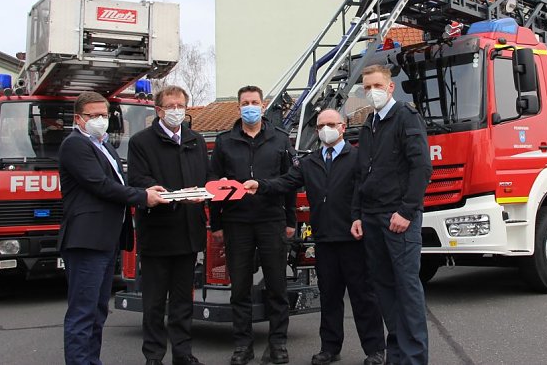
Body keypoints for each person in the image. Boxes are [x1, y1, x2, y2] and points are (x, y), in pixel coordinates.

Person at [243, 109, 386, 365]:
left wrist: (363, 219)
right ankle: (330, 348)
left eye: (331, 124)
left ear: (343, 127)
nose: (326, 129)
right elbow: (286, 182)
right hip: (324, 240)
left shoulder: (357, 158)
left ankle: (375, 350)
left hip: (354, 240)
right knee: (329, 297)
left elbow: (368, 192)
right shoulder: (309, 162)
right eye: (321, 125)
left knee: (363, 297)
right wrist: (261, 185)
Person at [58, 91, 167, 365]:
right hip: (86, 240)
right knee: (83, 312)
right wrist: (142, 197)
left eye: (104, 115)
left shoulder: (103, 145)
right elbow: (100, 185)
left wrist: (143, 188)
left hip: (105, 240)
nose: (100, 120)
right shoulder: (75, 145)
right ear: (78, 119)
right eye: (93, 116)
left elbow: (117, 180)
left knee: (97, 311)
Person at [350, 65, 432, 365]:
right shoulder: (370, 123)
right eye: (366, 87)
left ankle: (414, 359)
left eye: (376, 85)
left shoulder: (405, 118)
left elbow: (421, 167)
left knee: (407, 289)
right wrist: (357, 214)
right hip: (371, 218)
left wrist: (406, 211)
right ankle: (397, 356)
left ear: (390, 87)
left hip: (398, 219)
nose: (372, 92)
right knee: (384, 289)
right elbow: (362, 174)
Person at [209, 85, 297, 365]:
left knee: (276, 285)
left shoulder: (281, 139)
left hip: (272, 220)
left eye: (255, 102)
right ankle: (242, 345)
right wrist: (217, 225)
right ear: (238, 107)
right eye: (245, 102)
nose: (250, 106)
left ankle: (278, 343)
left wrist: (290, 219)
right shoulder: (224, 142)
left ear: (263, 106)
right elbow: (214, 187)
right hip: (236, 223)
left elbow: (290, 183)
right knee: (240, 288)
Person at [128, 86, 212, 365]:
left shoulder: (195, 140)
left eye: (180, 105)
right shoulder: (141, 142)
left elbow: (206, 178)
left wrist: (206, 193)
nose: (176, 111)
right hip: (158, 234)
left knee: (182, 302)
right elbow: (137, 181)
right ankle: (153, 355)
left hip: (189, 233)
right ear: (159, 110)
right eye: (171, 106)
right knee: (153, 303)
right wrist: (159, 193)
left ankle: (183, 353)